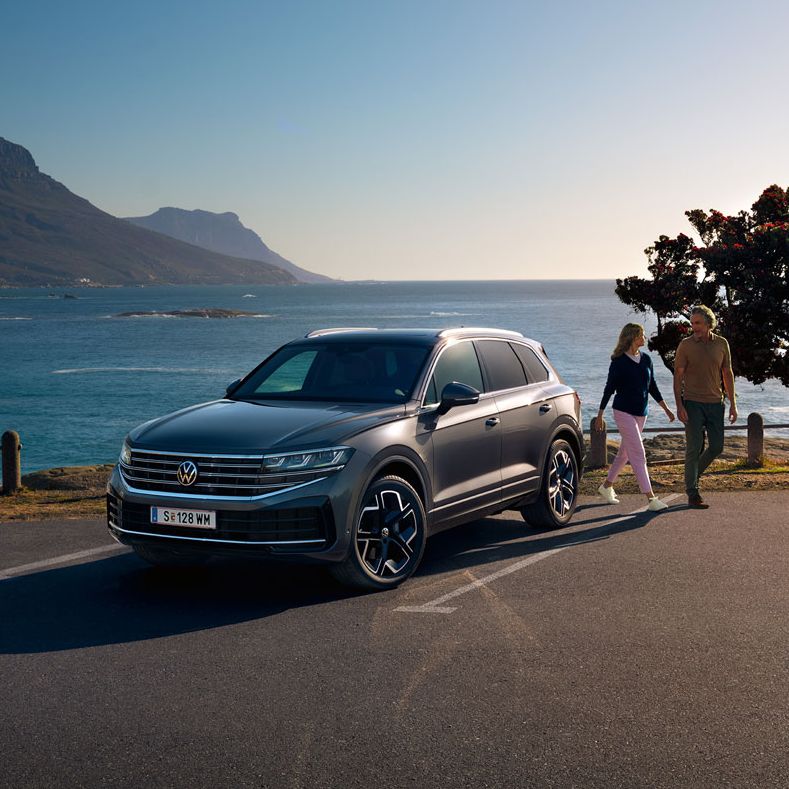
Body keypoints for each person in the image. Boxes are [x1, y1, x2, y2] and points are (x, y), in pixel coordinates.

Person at [594, 323, 675, 510]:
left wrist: (666, 408)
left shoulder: (646, 359)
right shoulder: (619, 361)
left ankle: (606, 486)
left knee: (624, 453)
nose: (644, 338)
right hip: (623, 411)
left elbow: (652, 386)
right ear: (632, 337)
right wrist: (600, 415)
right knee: (638, 453)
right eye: (642, 335)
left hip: (641, 412)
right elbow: (609, 389)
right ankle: (651, 498)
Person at [673, 305, 737, 509]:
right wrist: (679, 405)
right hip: (692, 403)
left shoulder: (722, 344)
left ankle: (693, 474)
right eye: (692, 323)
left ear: (709, 323)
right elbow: (678, 376)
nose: (694, 327)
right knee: (694, 447)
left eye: (698, 323)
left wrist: (733, 404)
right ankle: (692, 492)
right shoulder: (686, 345)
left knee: (717, 447)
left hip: (716, 403)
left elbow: (727, 373)